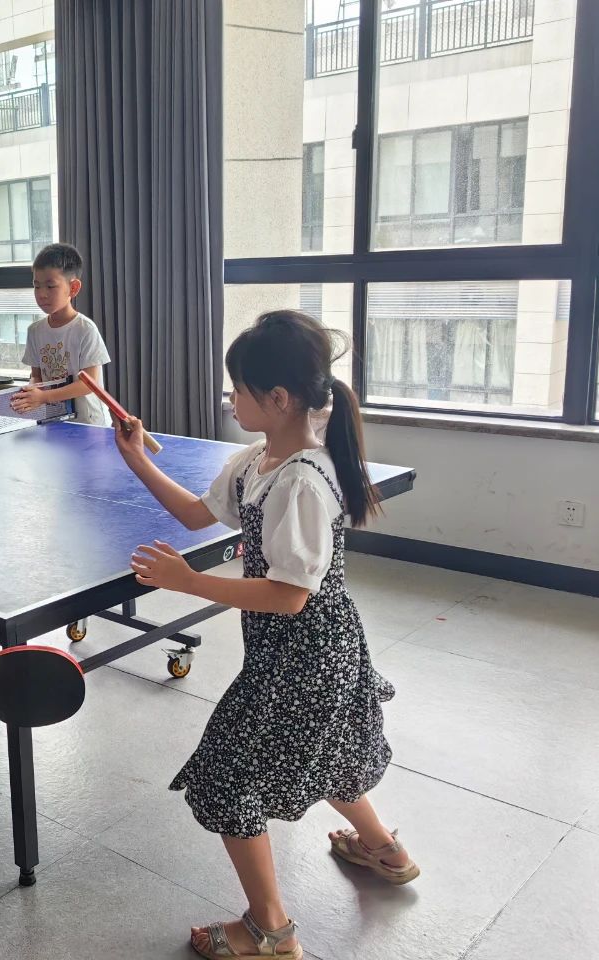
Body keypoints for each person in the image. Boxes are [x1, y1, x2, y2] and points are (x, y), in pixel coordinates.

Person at [114, 310, 417, 960]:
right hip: (308, 649)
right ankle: (385, 851)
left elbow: (288, 594)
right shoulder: (261, 459)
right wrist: (135, 457)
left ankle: (270, 931)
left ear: (278, 398)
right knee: (330, 750)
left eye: (238, 389)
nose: (230, 399)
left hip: (305, 655)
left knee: (226, 781)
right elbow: (197, 513)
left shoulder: (301, 481)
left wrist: (189, 582)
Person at [10, 242, 112, 425]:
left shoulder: (85, 329)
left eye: (50, 286)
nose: (42, 294)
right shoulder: (34, 331)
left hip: (89, 423)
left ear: (73, 288)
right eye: (37, 286)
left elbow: (89, 384)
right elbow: (37, 376)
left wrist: (43, 397)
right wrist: (30, 392)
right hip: (54, 419)